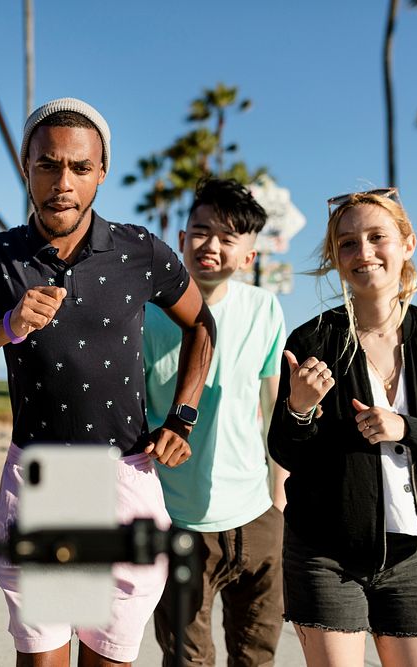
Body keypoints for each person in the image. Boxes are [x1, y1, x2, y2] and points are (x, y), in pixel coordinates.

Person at [0, 98, 216, 667]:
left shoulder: (140, 250)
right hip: (46, 480)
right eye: (48, 165)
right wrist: (5, 327)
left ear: (101, 172)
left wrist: (182, 415)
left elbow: (202, 325)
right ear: (26, 166)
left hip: (126, 476)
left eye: (80, 168)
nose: (63, 183)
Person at [267, 188, 417, 667]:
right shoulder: (313, 339)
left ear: (407, 243)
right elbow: (286, 451)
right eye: (347, 244)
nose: (363, 252)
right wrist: (299, 408)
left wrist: (408, 428)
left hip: (415, 557)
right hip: (325, 557)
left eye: (377, 237)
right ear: (335, 258)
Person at [144, 178, 286, 666]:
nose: (211, 245)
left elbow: (272, 407)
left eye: (228, 238)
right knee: (187, 659)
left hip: (257, 511)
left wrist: (279, 496)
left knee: (256, 656)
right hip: (176, 517)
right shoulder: (144, 314)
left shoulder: (265, 308)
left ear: (248, 256)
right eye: (200, 231)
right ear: (181, 239)